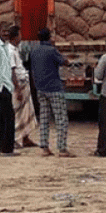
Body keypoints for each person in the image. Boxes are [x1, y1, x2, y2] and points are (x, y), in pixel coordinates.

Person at [30, 28, 76, 158]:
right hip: (54, 88)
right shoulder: (51, 50)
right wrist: (56, 48)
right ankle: (62, 149)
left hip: (41, 88)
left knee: (44, 118)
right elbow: (65, 62)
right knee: (61, 118)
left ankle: (44, 147)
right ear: (49, 37)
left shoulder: (34, 51)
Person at [0, 22, 18, 156]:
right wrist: (2, 88)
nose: (6, 33)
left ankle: (2, 148)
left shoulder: (5, 46)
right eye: (3, 31)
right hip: (2, 87)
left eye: (7, 31)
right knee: (8, 119)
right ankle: (6, 150)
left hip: (6, 86)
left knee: (3, 119)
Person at [8, 25, 38, 149]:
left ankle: (25, 138)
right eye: (20, 35)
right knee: (18, 113)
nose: (21, 37)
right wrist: (17, 89)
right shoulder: (10, 51)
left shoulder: (16, 49)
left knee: (27, 112)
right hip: (18, 86)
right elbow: (12, 71)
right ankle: (15, 139)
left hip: (23, 83)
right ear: (15, 37)